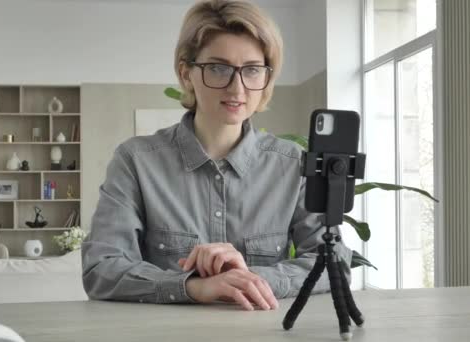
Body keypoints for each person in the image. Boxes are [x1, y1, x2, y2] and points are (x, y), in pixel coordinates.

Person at [81, 0, 352, 311]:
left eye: (252, 70)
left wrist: (252, 280)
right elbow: (101, 269)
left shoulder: (293, 164)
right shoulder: (136, 161)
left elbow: (334, 265)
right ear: (187, 75)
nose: (237, 88)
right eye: (218, 68)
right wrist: (195, 287)